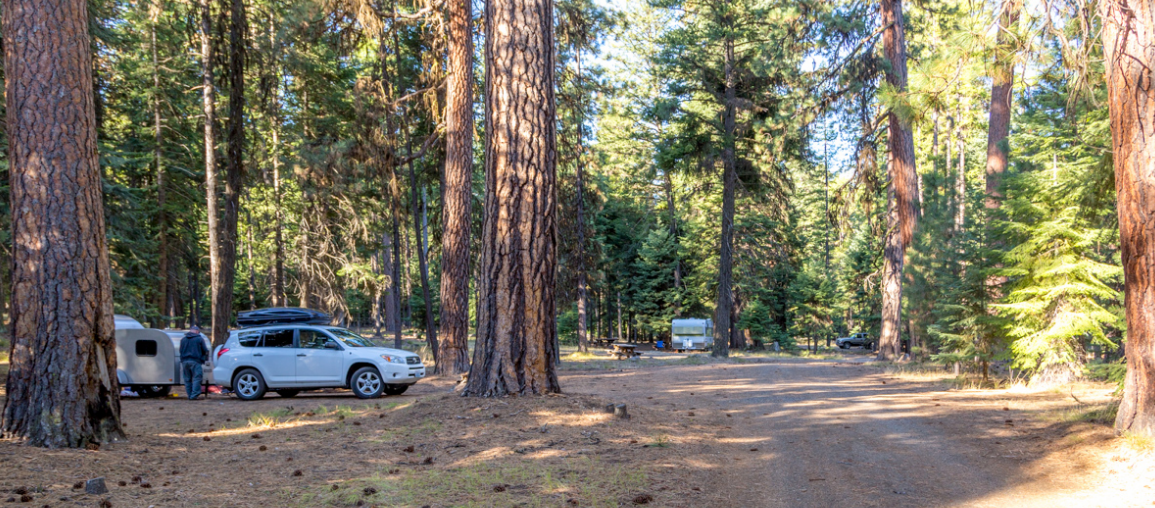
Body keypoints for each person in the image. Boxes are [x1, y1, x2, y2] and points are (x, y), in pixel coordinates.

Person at [179, 325, 210, 400]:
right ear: (197, 331)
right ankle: (194, 395)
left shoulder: (183, 339)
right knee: (197, 378)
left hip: (185, 361)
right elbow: (205, 350)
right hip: (195, 361)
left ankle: (189, 395)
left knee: (187, 379)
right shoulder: (199, 339)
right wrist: (204, 358)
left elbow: (180, 350)